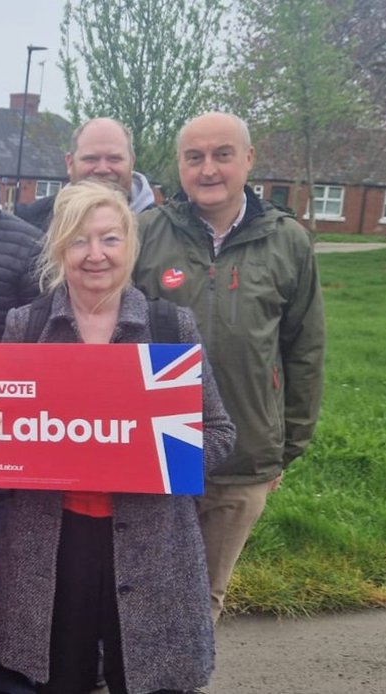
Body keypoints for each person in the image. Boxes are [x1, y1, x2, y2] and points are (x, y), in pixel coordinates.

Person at [0, 181, 236, 694]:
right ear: (58, 250)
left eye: (109, 239)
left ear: (130, 247)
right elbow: (0, 435)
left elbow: (221, 432)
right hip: (52, 542)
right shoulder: (26, 326)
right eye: (78, 240)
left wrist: (161, 451)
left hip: (152, 543)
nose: (95, 255)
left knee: (145, 678)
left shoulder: (169, 327)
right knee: (58, 679)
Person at [133, 112, 326, 622]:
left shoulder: (288, 241)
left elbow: (305, 349)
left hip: (244, 453)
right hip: (157, 449)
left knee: (202, 600)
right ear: (179, 165)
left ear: (248, 159)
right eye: (194, 157)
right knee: (142, 592)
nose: (208, 169)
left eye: (222, 155)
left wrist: (286, 448)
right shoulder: (147, 233)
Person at [15, 117, 157, 231]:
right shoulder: (30, 223)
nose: (103, 169)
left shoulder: (159, 229)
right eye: (91, 159)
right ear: (70, 163)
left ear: (132, 162)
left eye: (114, 159)